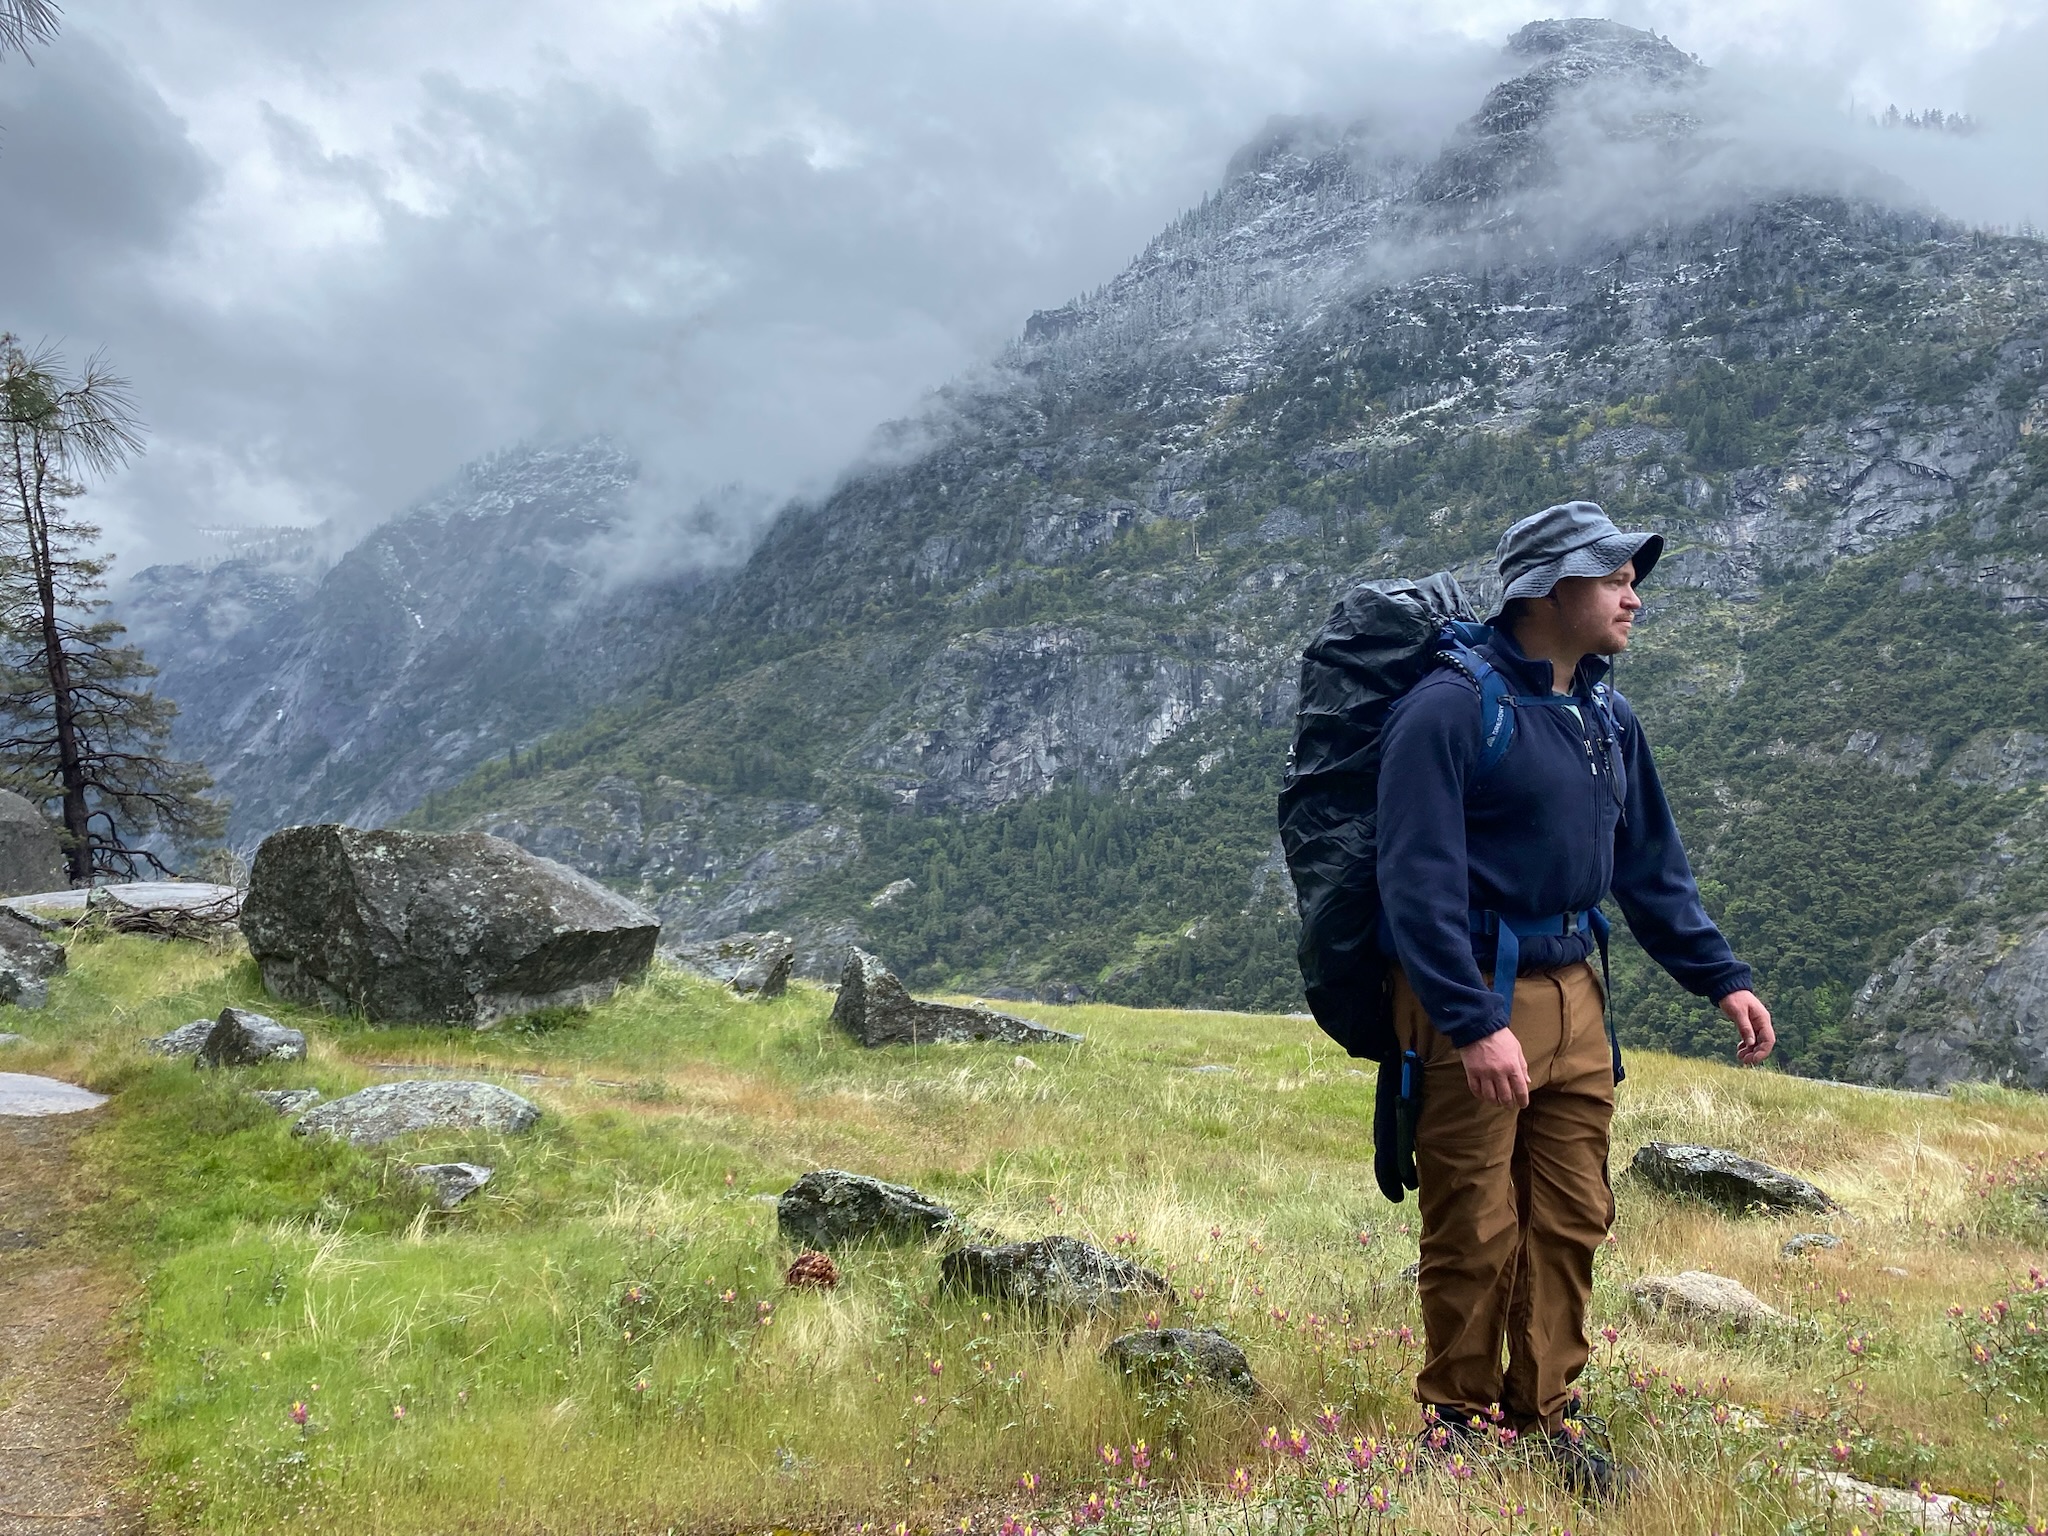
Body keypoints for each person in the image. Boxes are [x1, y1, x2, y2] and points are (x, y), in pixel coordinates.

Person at [1375, 500, 1774, 1496]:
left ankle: (1543, 1421)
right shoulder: (1447, 709)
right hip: (1475, 989)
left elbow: (1646, 866)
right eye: (1613, 579)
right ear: (1549, 590)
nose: (1631, 595)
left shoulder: (1603, 714)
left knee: (1569, 1214)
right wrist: (1469, 1022)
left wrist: (1717, 975)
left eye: (1630, 577)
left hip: (1575, 993)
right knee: (1473, 1218)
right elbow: (1412, 883)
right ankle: (1457, 1427)